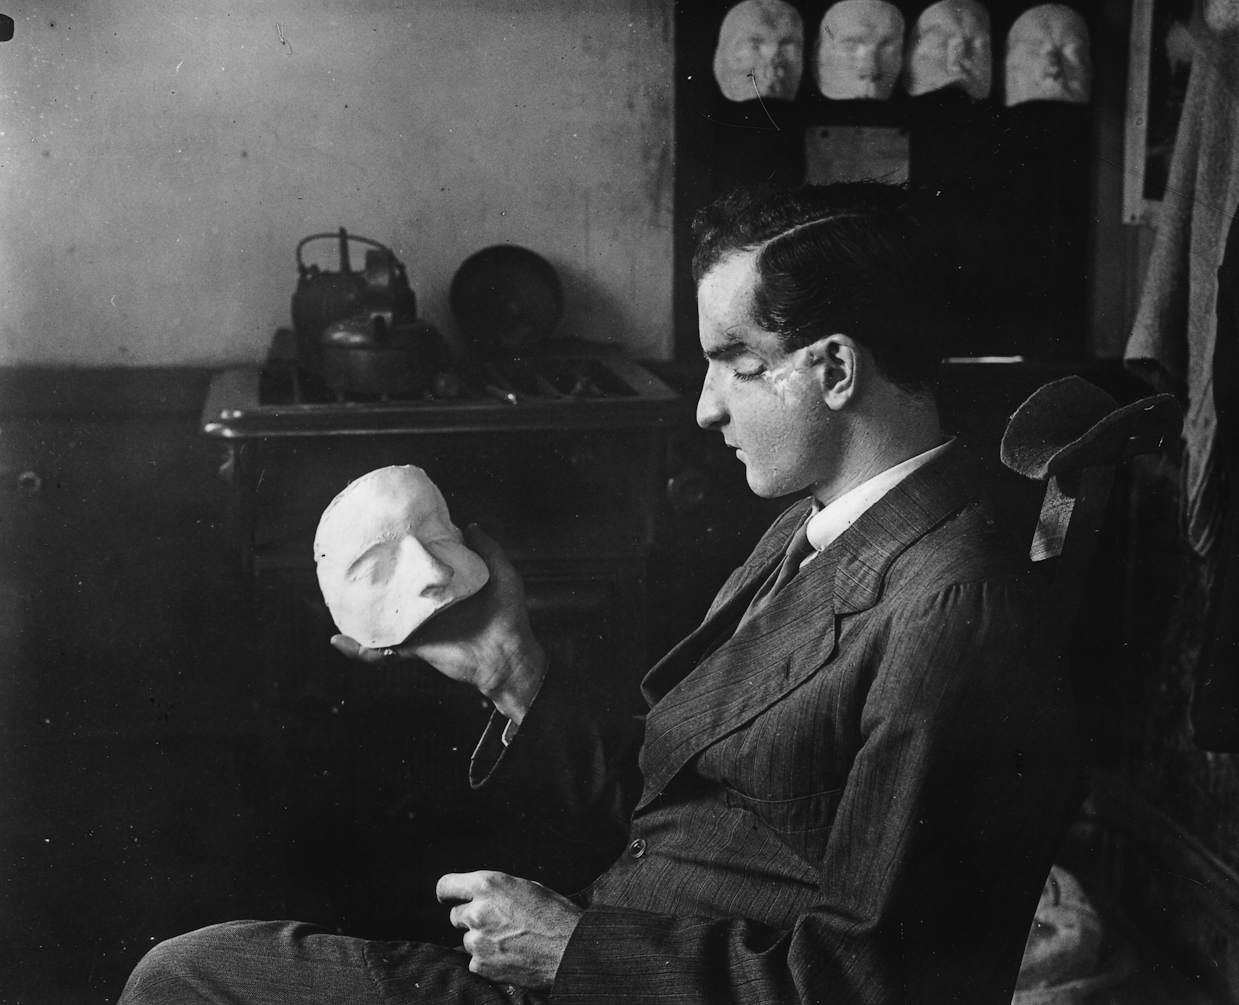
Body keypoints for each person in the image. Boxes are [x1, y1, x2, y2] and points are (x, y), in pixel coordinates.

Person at [119, 182, 1079, 1004]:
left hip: (614, 977)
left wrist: (572, 948)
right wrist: (510, 664)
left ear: (833, 368)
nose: (705, 405)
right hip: (618, 950)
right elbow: (691, 800)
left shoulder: (950, 603)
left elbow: (881, 986)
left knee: (186, 980)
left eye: (734, 363)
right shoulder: (816, 526)